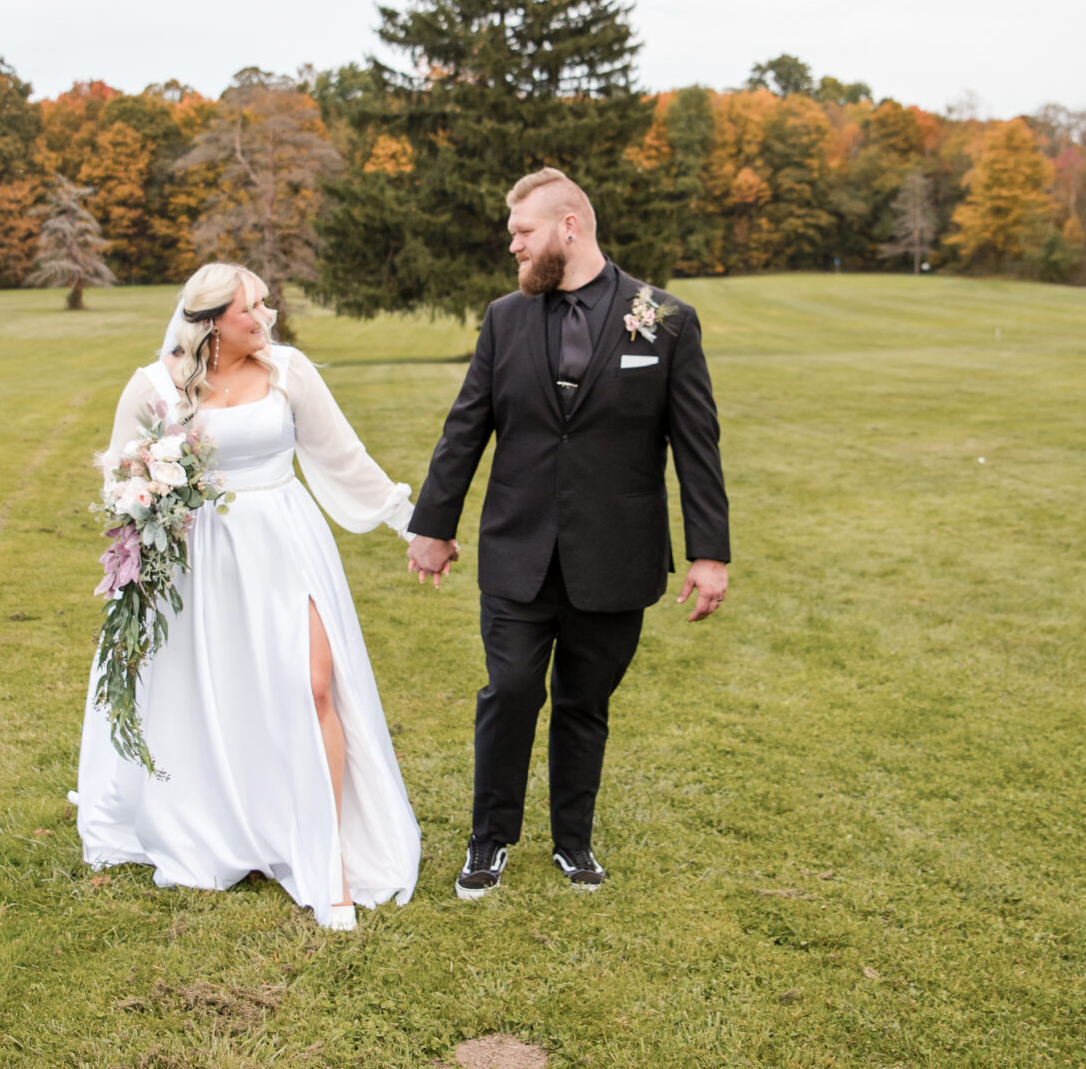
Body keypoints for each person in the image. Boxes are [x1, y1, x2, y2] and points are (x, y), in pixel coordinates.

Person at [405, 169, 730, 900]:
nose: (513, 247)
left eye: (522, 232)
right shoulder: (505, 318)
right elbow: (467, 426)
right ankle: (488, 840)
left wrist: (709, 553)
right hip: (518, 550)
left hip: (615, 555)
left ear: (569, 227)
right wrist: (433, 525)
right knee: (512, 689)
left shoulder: (664, 318)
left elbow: (695, 444)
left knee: (585, 703)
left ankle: (572, 843)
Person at [74, 263, 420, 931]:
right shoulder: (153, 388)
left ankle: (332, 861)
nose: (265, 320)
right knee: (216, 695)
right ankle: (233, 825)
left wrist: (411, 524)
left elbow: (343, 456)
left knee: (316, 685)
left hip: (284, 542)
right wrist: (145, 518)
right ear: (207, 323)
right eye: (248, 310)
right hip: (197, 560)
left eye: (264, 305)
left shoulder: (289, 371)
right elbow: (121, 478)